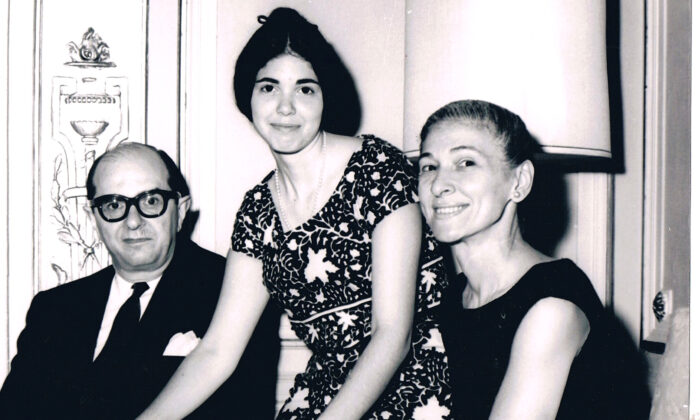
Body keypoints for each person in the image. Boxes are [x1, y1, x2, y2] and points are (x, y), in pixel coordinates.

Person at [139, 7, 451, 420]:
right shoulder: (258, 212)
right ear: (247, 98)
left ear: (325, 97)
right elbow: (217, 351)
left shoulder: (378, 169)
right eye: (269, 88)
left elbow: (393, 336)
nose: (286, 108)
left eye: (305, 89)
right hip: (326, 387)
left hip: (417, 382)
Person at [0, 142, 280, 419]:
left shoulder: (234, 294)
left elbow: (242, 409)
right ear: (93, 217)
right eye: (113, 205)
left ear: (180, 210)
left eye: (151, 201)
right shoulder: (55, 308)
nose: (133, 221)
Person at [417, 99, 650, 419]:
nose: (439, 185)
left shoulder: (552, 307)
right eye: (429, 166)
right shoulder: (455, 297)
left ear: (520, 181)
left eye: (466, 163)